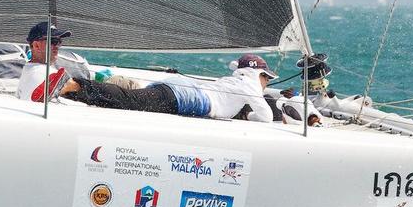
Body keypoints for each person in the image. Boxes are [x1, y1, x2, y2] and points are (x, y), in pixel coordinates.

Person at [61, 53, 278, 123]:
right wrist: (251, 117)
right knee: (129, 100)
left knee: (132, 97)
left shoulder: (235, 81)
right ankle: (73, 86)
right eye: (266, 78)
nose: (266, 83)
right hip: (185, 97)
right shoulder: (250, 84)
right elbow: (266, 117)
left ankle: (75, 89)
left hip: (183, 91)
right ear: (258, 74)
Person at [16, 22, 92, 102]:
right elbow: (75, 87)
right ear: (36, 46)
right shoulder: (45, 73)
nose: (57, 47)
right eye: (53, 41)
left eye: (59, 42)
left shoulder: (29, 69)